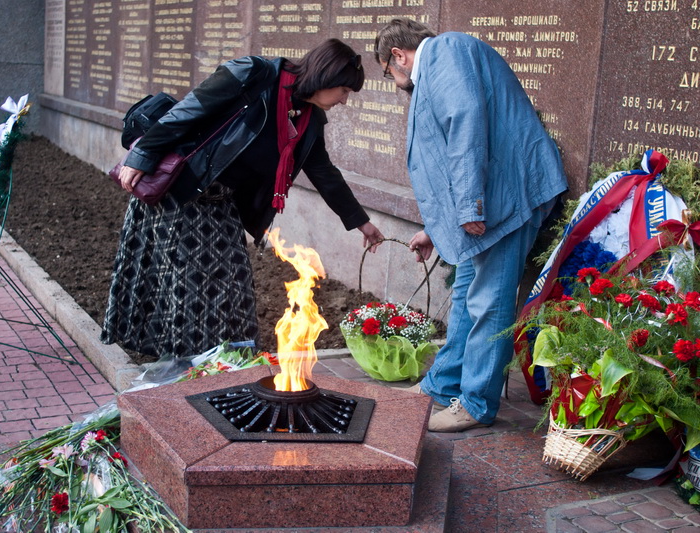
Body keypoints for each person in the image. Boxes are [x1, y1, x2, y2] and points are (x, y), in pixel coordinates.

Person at [102, 38, 384, 361]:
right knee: (189, 287)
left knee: (233, 288)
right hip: (183, 194)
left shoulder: (308, 119)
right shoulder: (253, 74)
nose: (344, 101)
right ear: (326, 76)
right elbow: (188, 111)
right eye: (344, 91)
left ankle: (222, 364)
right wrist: (142, 154)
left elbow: (324, 174)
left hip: (221, 203)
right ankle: (186, 367)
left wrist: (361, 222)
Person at [374, 19, 568, 432]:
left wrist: (469, 206)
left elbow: (465, 122)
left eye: (388, 72)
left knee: (489, 299)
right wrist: (436, 227)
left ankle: (476, 402)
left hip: (505, 197)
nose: (395, 82)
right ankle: (442, 386)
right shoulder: (444, 59)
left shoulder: (444, 51)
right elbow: (452, 146)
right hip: (491, 199)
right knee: (466, 294)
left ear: (398, 55)